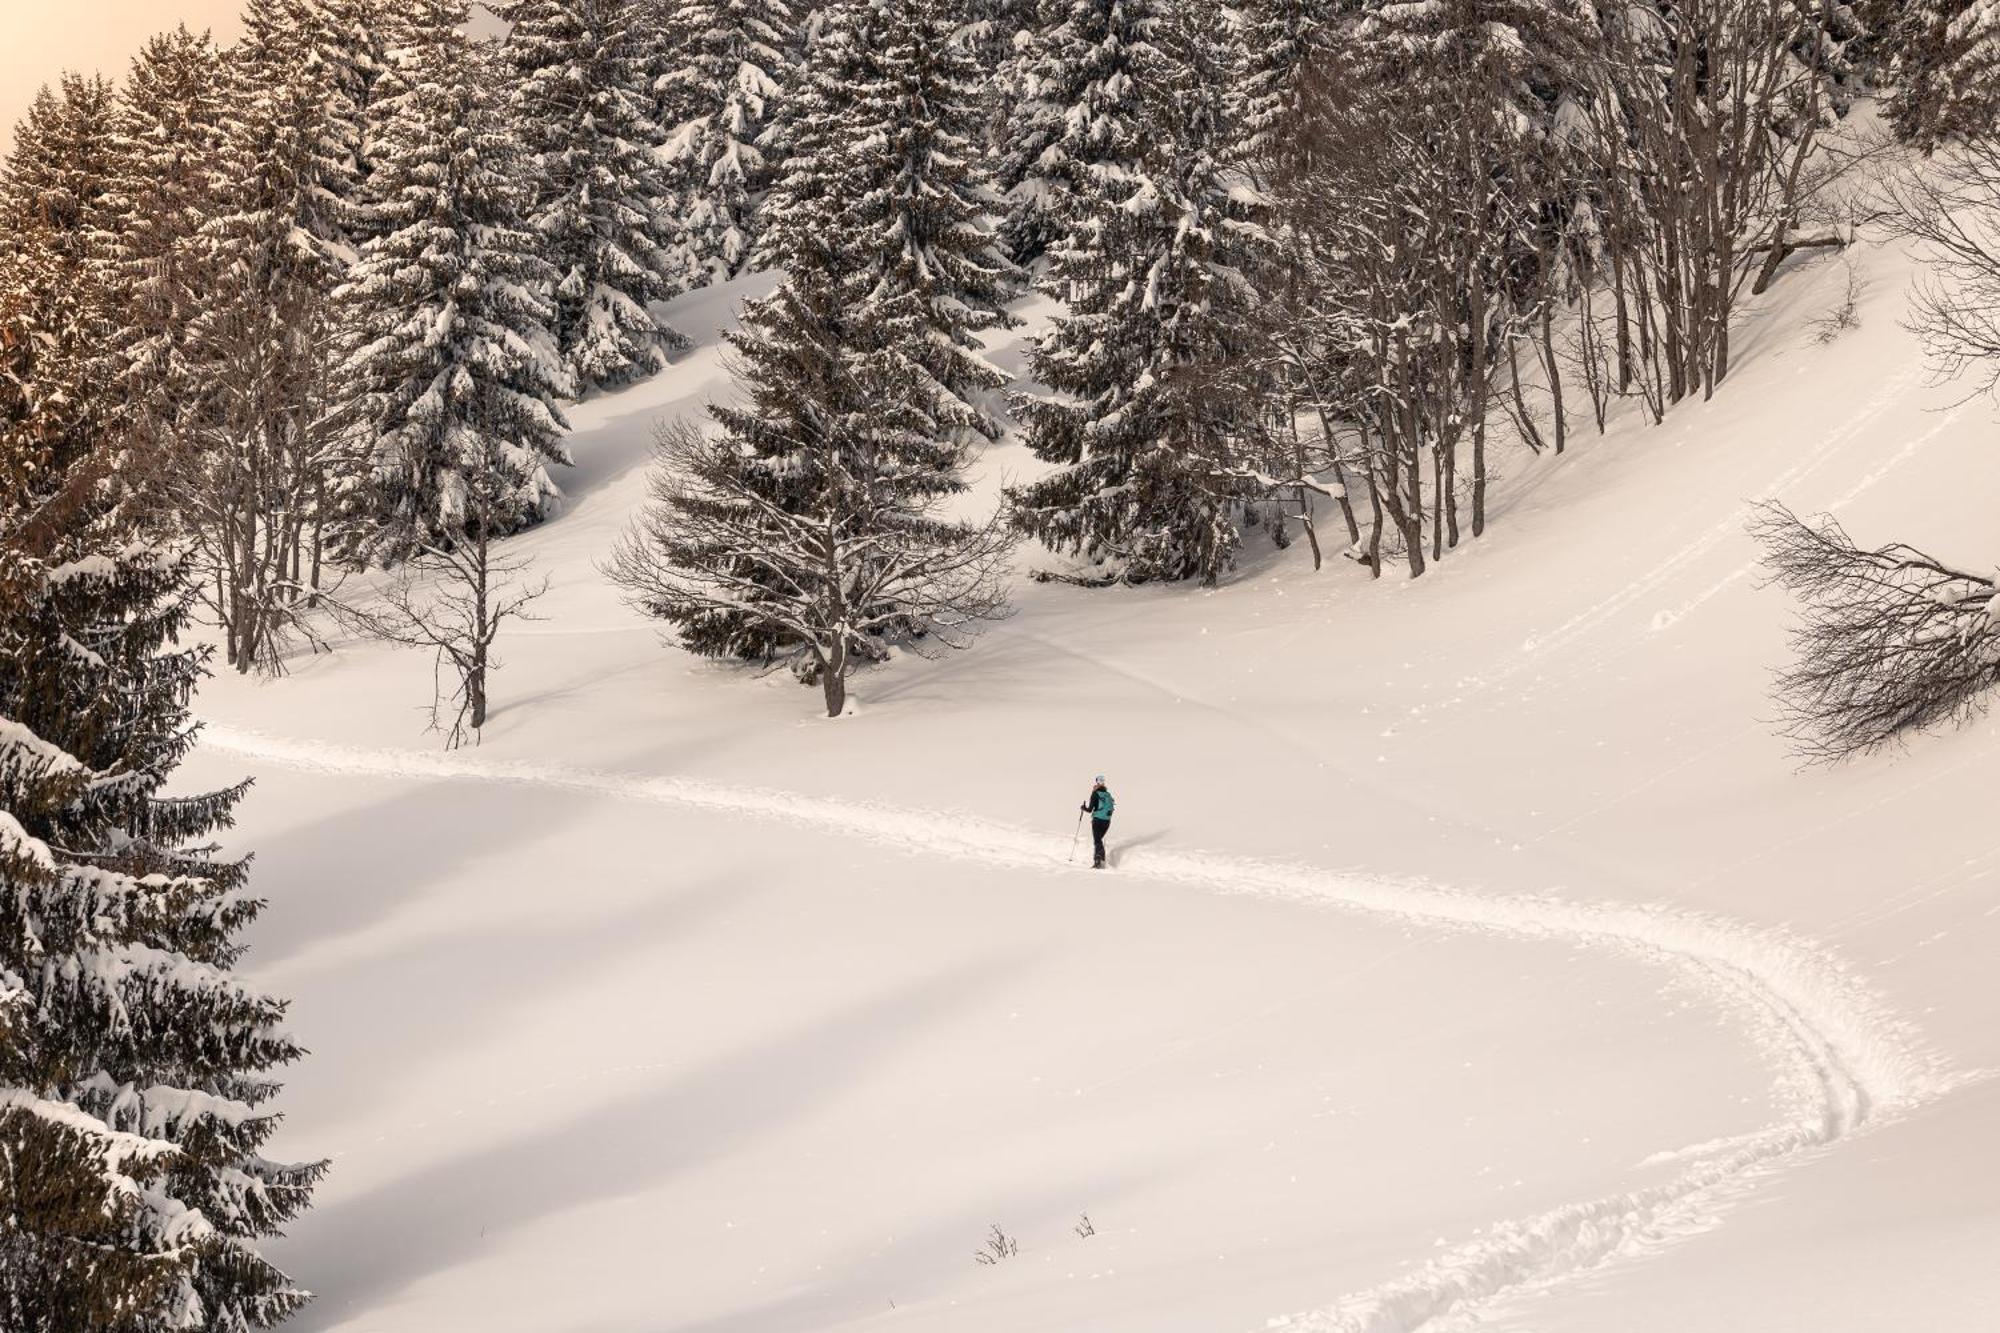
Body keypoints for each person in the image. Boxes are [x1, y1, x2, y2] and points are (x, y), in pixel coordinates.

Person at [1080, 776, 1115, 869]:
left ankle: (1098, 861)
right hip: (1107, 821)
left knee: (1097, 840)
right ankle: (1100, 859)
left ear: (1097, 783)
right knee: (1098, 840)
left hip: (1097, 820)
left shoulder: (1095, 794)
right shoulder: (1108, 794)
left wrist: (1083, 808)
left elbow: (1090, 809)